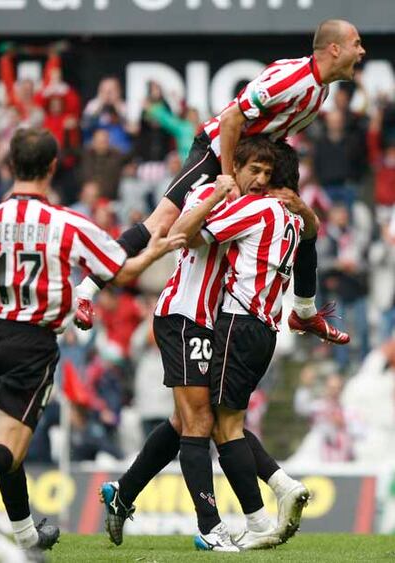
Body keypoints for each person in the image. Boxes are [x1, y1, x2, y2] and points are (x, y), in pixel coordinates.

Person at [74, 18, 364, 345]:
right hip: (216, 151)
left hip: (254, 159)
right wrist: (230, 180)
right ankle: (85, 290)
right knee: (160, 223)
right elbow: (230, 120)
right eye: (356, 44)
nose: (362, 51)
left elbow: (270, 135)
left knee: (305, 222)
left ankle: (304, 311)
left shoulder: (319, 91)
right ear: (334, 48)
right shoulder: (292, 80)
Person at [97, 136, 312, 552]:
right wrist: (215, 194)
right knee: (200, 422)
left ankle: (122, 493)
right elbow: (179, 233)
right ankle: (212, 528)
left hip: (209, 322)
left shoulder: (249, 208)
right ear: (235, 164)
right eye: (255, 170)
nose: (261, 180)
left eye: (268, 174)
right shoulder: (207, 191)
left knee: (185, 422)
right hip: (183, 314)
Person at [0, 128, 185, 556]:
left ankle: (24, 535)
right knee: (8, 453)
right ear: (54, 168)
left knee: (4, 435)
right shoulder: (65, 223)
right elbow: (121, 271)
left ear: (8, 166)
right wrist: (154, 250)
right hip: (29, 344)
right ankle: (22, 535)